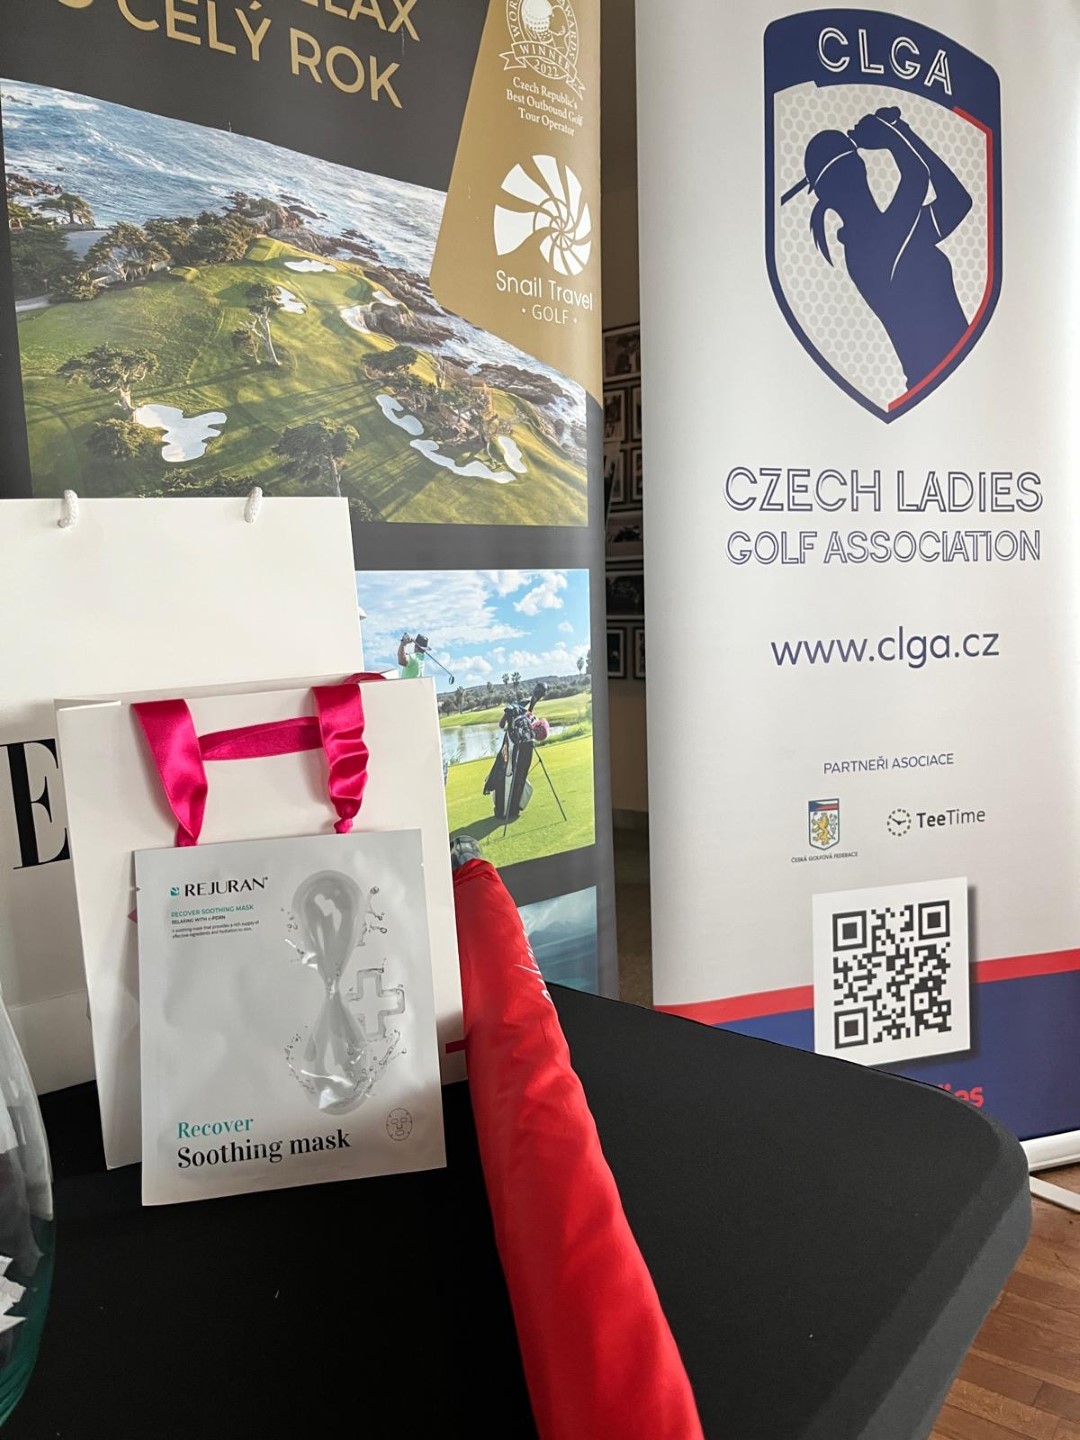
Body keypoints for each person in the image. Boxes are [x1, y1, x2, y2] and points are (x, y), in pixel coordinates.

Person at [797, 107, 973, 390]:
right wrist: (890, 137)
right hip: (935, 389)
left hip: (962, 380)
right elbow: (917, 176)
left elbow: (957, 201)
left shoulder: (898, 229)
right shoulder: (865, 247)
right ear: (859, 167)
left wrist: (902, 131)